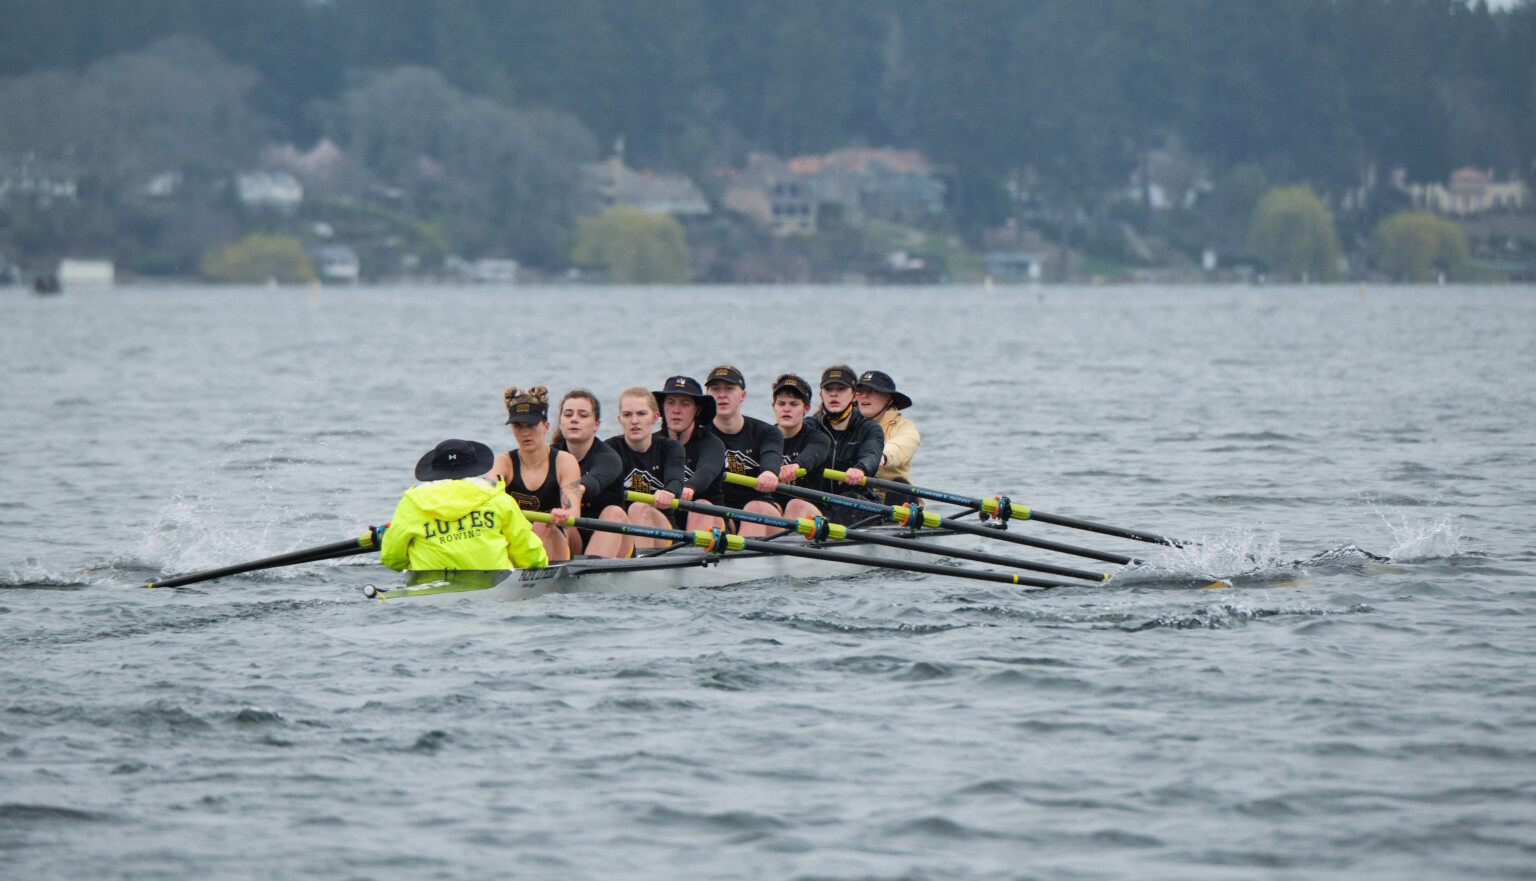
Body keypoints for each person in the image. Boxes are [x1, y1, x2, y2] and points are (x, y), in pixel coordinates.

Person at [381, 439, 549, 572]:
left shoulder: (411, 503)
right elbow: (530, 556)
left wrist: (414, 563)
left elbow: (391, 558)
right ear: (474, 467)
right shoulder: (498, 498)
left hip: (429, 590)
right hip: (494, 590)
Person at [489, 386, 583, 562]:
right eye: (518, 426)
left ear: (546, 426)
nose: (525, 433)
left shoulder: (564, 462)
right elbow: (485, 498)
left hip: (560, 536)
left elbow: (574, 512)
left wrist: (563, 514)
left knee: (541, 525)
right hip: (519, 541)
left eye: (531, 425)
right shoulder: (502, 463)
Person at [549, 388, 631, 558]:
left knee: (614, 513)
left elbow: (593, 482)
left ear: (596, 425)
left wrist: (575, 489)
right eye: (568, 414)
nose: (574, 419)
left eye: (583, 415)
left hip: (614, 540)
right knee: (553, 519)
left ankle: (593, 566)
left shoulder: (608, 458)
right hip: (573, 539)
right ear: (560, 422)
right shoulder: (549, 456)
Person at [704, 364, 783, 537]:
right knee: (703, 508)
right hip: (720, 514)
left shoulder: (767, 432)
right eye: (715, 389)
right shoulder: (699, 436)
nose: (722, 394)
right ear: (707, 396)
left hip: (760, 510)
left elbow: (771, 454)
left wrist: (769, 472)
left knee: (754, 508)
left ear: (743, 395)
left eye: (729, 388)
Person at [604, 387, 686, 550]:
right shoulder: (608, 450)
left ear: (655, 417)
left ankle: (640, 561)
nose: (634, 421)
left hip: (664, 531)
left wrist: (669, 492)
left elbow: (675, 480)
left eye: (641, 414)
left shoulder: (670, 447)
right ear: (620, 419)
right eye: (628, 415)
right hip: (623, 530)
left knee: (639, 507)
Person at [813, 364, 885, 524]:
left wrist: (860, 468)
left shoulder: (869, 428)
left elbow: (872, 454)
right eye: (828, 389)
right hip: (819, 503)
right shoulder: (810, 427)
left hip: (860, 504)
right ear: (821, 395)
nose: (834, 393)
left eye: (841, 389)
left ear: (854, 396)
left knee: (848, 499)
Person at [653, 375, 726, 532]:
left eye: (684, 404)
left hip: (710, 519)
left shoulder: (712, 444)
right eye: (670, 403)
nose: (676, 410)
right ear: (662, 407)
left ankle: (696, 548)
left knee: (701, 506)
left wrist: (689, 487)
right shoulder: (652, 443)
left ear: (697, 410)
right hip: (666, 521)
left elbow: (706, 472)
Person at [854, 370, 920, 506]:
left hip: (895, 500)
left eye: (871, 390)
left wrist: (880, 457)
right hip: (861, 498)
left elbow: (900, 447)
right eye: (860, 391)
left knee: (900, 485)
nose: (864, 395)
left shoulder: (906, 428)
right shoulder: (846, 425)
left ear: (889, 399)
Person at [770, 373, 830, 521]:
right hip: (774, 508)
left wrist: (796, 466)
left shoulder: (818, 439)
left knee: (795, 505)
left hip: (811, 509)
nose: (786, 409)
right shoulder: (763, 438)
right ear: (773, 407)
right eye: (781, 404)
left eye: (794, 404)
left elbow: (811, 455)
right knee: (762, 507)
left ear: (806, 408)